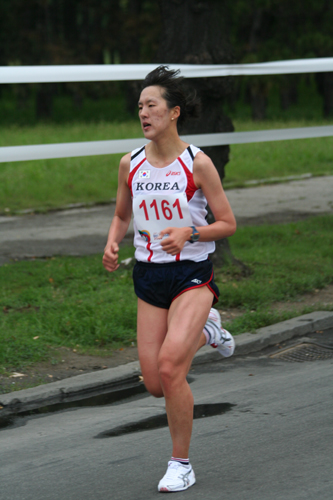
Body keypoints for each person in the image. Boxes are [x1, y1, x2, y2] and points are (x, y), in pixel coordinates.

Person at [102, 65, 237, 492]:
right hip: (148, 276)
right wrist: (112, 242)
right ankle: (210, 332)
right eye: (140, 106)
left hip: (192, 275)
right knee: (155, 384)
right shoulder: (131, 163)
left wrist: (189, 232)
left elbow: (229, 223)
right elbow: (123, 214)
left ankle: (181, 463)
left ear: (174, 112)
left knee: (170, 368)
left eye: (152, 105)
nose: (143, 113)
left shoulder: (197, 164)